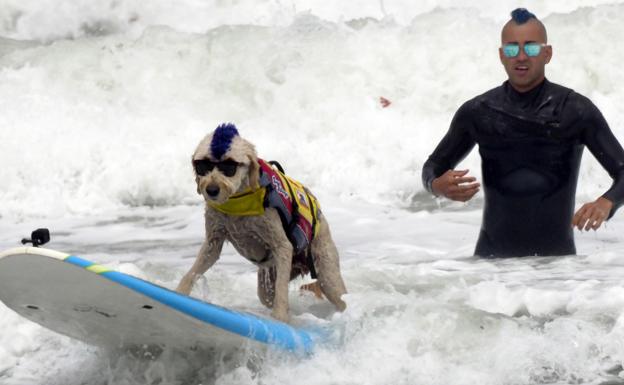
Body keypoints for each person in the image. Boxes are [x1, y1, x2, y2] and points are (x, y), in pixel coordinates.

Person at [421, 8, 624, 257]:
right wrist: (437, 186)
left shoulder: (575, 110)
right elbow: (433, 167)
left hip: (559, 275)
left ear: (547, 53)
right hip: (491, 271)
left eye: (530, 48)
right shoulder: (479, 112)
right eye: (511, 49)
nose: (520, 57)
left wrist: (607, 202)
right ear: (501, 56)